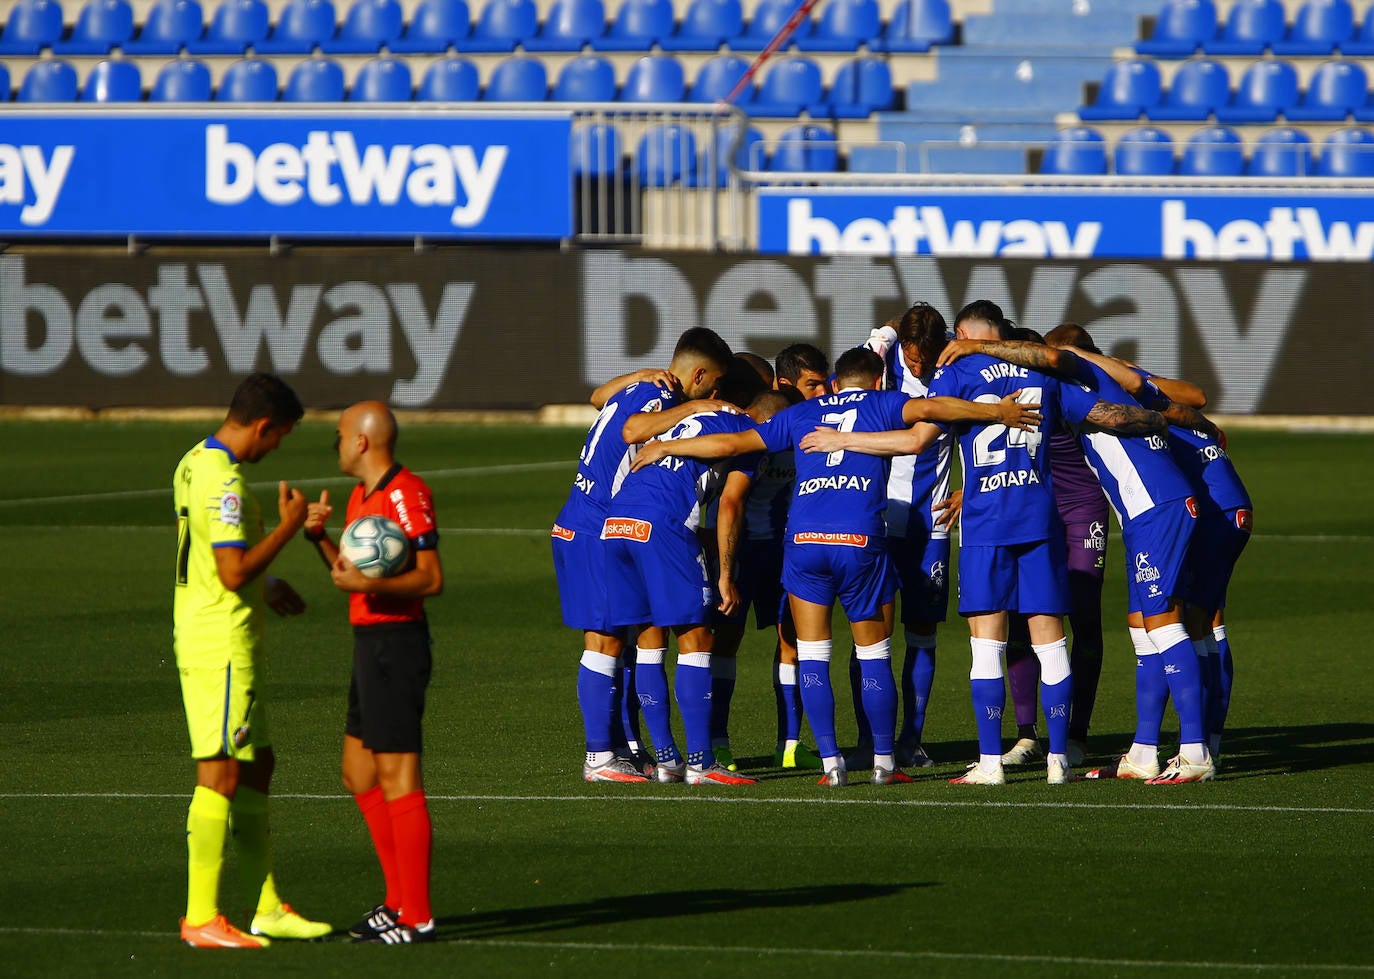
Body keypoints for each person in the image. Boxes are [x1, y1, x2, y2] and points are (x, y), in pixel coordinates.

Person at [634, 346, 1042, 786]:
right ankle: (884, 763)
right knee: (874, 653)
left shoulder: (803, 412)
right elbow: (934, 407)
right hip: (859, 539)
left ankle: (831, 764)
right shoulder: (884, 403)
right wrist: (996, 413)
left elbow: (733, 442)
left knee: (812, 654)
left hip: (805, 540)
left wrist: (666, 446)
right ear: (879, 380)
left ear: (835, 382)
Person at [802, 302, 1167, 786]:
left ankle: (991, 763)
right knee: (1052, 645)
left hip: (985, 527)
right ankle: (1059, 760)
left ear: (962, 334)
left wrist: (843, 442)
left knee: (987, 648)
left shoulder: (955, 375)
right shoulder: (1041, 374)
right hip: (1040, 522)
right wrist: (1171, 422)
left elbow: (915, 441)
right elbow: (1113, 417)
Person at [934, 321, 1218, 784]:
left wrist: (975, 347)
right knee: (1143, 630)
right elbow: (1145, 408)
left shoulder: (1073, 372)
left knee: (1164, 627)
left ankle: (1195, 751)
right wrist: (1168, 418)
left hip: (1154, 506)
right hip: (1145, 509)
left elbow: (1116, 408)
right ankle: (1144, 752)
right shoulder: (1097, 378)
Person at [171, 372, 331, 949]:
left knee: (258, 763)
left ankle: (266, 906)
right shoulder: (225, 482)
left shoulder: (193, 461)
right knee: (220, 771)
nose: (276, 449)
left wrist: (266, 584)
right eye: (280, 437)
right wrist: (288, 528)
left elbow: (214, 562)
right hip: (219, 646)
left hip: (223, 631)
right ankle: (200, 917)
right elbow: (233, 570)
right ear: (262, 426)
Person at [552, 327, 735, 784]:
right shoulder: (664, 399)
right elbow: (634, 429)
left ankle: (617, 749)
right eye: (713, 384)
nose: (715, 393)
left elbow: (597, 397)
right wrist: (693, 407)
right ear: (697, 375)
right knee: (605, 642)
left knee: (614, 640)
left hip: (578, 517)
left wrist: (641, 374)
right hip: (595, 523)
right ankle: (600, 758)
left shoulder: (640, 385)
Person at [301, 401, 444, 944]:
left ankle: (418, 916)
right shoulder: (361, 497)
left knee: (398, 777)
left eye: (338, 436)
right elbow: (351, 577)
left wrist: (369, 586)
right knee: (357, 773)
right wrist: (318, 538)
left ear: (362, 441)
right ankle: (396, 900)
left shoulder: (406, 494)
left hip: (397, 645)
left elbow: (431, 578)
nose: (335, 444)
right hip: (368, 641)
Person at [605, 389, 790, 785]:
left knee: (649, 637)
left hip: (617, 520)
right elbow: (729, 505)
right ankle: (702, 762)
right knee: (698, 637)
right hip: (664, 523)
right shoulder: (752, 437)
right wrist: (725, 575)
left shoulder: (703, 416)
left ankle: (667, 759)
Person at [709, 345, 829, 771]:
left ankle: (790, 743)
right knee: (729, 644)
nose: (823, 391)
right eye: (813, 384)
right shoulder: (758, 434)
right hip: (749, 553)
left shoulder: (809, 431)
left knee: (788, 645)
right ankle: (720, 742)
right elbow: (729, 503)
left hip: (784, 552)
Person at [854, 304, 957, 770]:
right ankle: (868, 739)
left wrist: (967, 488)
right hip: (877, 516)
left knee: (922, 632)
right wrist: (891, 330)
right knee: (872, 632)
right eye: (913, 359)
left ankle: (912, 739)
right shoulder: (881, 357)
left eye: (924, 358)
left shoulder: (957, 366)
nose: (919, 367)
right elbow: (847, 383)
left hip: (931, 521)